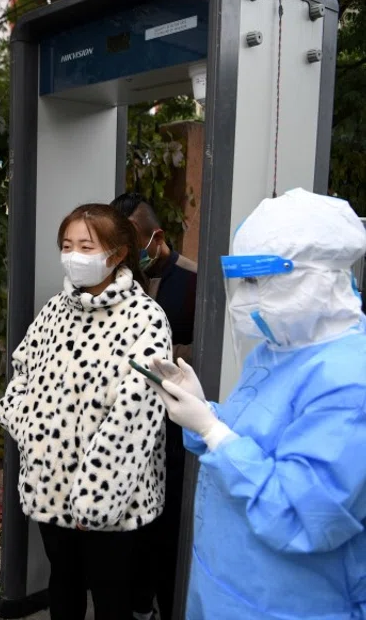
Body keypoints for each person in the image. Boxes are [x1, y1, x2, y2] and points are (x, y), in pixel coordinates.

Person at [141, 188, 366, 619]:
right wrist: (203, 408)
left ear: (318, 278)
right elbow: (253, 441)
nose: (245, 299)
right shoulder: (279, 346)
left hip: (288, 603)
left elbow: (305, 518)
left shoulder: (350, 381)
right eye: (241, 280)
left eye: (259, 281)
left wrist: (212, 429)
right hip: (224, 586)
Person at [0, 204, 172, 620]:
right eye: (67, 245)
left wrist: (95, 499)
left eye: (85, 246)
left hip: (111, 499)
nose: (74, 255)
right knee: (64, 585)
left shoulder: (145, 318)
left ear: (116, 254)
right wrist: (31, 430)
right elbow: (20, 375)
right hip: (50, 486)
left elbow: (136, 415)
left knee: (111, 596)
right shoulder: (55, 310)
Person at [111, 192, 197, 620]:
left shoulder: (193, 282)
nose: (124, 255)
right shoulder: (116, 285)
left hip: (174, 437)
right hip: (125, 438)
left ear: (156, 237)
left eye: (131, 243)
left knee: (167, 538)